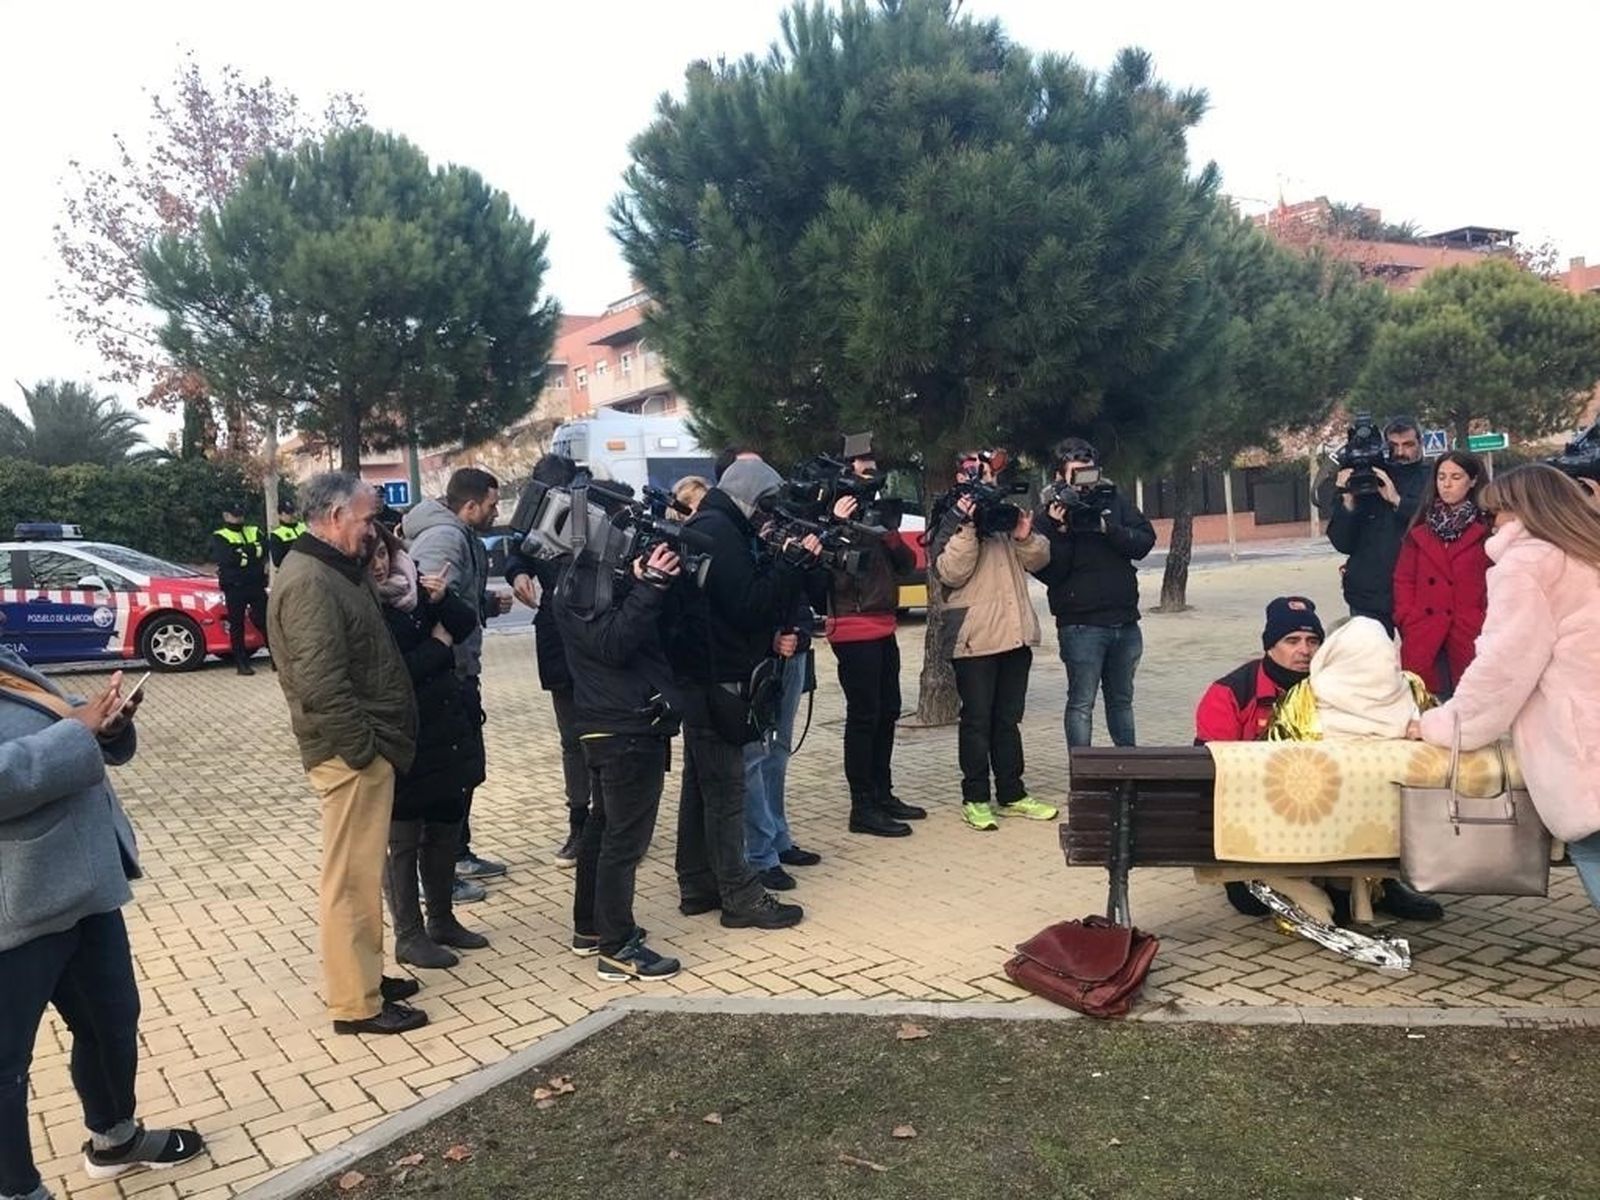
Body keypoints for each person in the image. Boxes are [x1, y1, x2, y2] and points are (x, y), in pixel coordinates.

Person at [2, 655, 206, 1197]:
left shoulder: (6, 660)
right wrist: (77, 731)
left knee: (111, 1020)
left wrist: (104, 724)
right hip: (13, 907)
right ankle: (17, 1188)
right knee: (5, 1064)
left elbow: (63, 726)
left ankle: (115, 1138)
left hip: (83, 881)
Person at [268, 471, 426, 1036]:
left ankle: (368, 976)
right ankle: (356, 1005)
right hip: (350, 755)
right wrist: (363, 751)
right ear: (334, 517)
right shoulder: (311, 581)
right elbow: (321, 683)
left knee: (361, 874)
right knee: (352, 881)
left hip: (362, 749)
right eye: (366, 519)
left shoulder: (336, 570)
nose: (373, 529)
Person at [1407, 464, 1600, 911]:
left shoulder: (1528, 564)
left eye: (1496, 513)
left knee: (1592, 842)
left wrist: (1448, 724)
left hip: (1583, 736)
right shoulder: (1589, 550)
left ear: (1521, 512)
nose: (1490, 523)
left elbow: (1505, 665)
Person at [666, 456, 814, 929]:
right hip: (719, 680)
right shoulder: (721, 532)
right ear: (750, 498)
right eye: (766, 506)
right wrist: (789, 565)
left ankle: (697, 883)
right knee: (727, 791)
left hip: (704, 675)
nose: (769, 517)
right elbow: (748, 605)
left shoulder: (712, 525)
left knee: (701, 788)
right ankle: (739, 893)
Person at [554, 535, 688, 980]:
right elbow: (612, 642)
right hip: (625, 728)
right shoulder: (583, 583)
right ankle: (617, 947)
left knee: (604, 828)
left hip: (611, 722)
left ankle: (591, 927)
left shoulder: (584, 579)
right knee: (623, 842)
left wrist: (637, 585)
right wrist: (650, 587)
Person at [369, 525, 489, 970]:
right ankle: (409, 933)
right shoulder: (365, 606)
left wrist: (443, 601)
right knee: (403, 838)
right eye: (372, 557)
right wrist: (438, 646)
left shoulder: (413, 588)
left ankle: (443, 919)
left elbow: (463, 624)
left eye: (384, 552)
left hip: (444, 732)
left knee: (444, 827)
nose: (381, 563)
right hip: (404, 738)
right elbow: (395, 673)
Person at [402, 468, 515, 894]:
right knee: (450, 775)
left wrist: (483, 603)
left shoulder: (458, 533)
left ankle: (458, 854)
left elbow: (452, 594)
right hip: (447, 674)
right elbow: (426, 597)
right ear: (470, 506)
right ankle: (441, 874)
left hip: (459, 669)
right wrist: (442, 646)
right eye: (491, 504)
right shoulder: (445, 538)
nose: (495, 511)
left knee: (464, 770)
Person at [930, 449, 1056, 831]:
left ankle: (1013, 793)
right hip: (975, 639)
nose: (986, 479)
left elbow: (1039, 560)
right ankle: (975, 797)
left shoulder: (1001, 515)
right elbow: (950, 572)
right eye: (977, 473)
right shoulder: (949, 518)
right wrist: (969, 526)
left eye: (988, 474)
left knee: (1007, 720)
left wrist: (1024, 535)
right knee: (977, 721)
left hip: (1015, 636)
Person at [825, 440, 923, 838]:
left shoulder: (879, 513)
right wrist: (838, 524)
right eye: (864, 468)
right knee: (864, 716)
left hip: (883, 623)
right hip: (852, 626)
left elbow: (907, 565)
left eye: (873, 467)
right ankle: (861, 806)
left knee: (887, 712)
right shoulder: (829, 516)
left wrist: (890, 535)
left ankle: (883, 794)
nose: (871, 473)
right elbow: (828, 569)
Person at [1032, 437, 1156, 747]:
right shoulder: (1048, 513)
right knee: (1081, 704)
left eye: (1090, 472)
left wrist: (1106, 528)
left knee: (1122, 702)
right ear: (1061, 475)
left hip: (1125, 621)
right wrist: (1060, 532)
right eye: (1077, 473)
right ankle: (1083, 776)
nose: (1086, 480)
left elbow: (1144, 542)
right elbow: (1050, 574)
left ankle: (1129, 773)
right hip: (1081, 625)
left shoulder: (1113, 499)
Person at [504, 456, 591, 869]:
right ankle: (580, 823)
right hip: (557, 638)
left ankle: (614, 822)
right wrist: (517, 571)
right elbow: (517, 550)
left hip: (599, 637)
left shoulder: (596, 513)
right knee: (572, 739)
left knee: (607, 737)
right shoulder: (533, 513)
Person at [1392, 451, 1491, 697]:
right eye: (1441, 477)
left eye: (1456, 477)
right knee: (1428, 703)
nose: (1446, 484)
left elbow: (1496, 581)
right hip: (1424, 631)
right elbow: (1404, 579)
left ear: (1473, 480)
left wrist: (1485, 619)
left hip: (1470, 630)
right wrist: (1406, 616)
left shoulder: (1488, 530)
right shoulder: (1420, 530)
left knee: (1471, 703)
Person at [1326, 416, 1428, 628]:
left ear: (1420, 444)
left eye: (1408, 445)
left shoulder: (1432, 480)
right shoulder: (1359, 478)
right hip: (1367, 596)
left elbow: (1434, 524)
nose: (1400, 452)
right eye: (1393, 446)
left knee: (1420, 660)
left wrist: (1398, 501)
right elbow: (1342, 543)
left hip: (1418, 591)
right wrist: (1347, 501)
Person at [209, 500, 269, 675]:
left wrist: (242, 553)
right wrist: (252, 553)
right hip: (235, 587)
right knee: (237, 625)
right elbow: (228, 559)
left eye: (240, 514)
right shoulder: (219, 536)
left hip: (256, 584)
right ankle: (241, 663)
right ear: (226, 516)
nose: (238, 518)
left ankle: (276, 658)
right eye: (235, 515)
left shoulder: (254, 530)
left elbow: (265, 549)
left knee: (266, 621)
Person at [268, 496, 307, 568]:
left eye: (292, 511)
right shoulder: (276, 535)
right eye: (288, 513)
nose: (292, 515)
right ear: (280, 515)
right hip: (293, 570)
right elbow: (277, 561)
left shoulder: (304, 527)